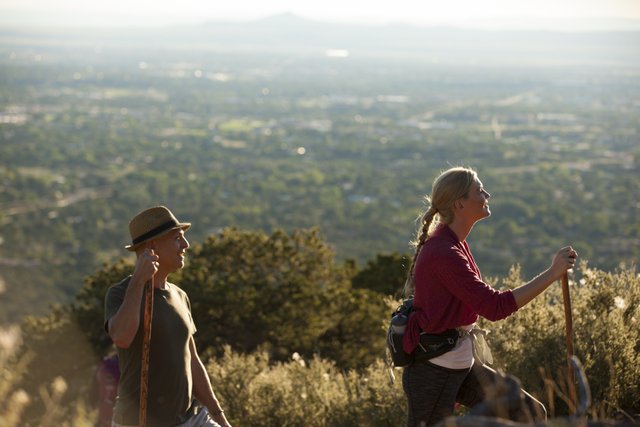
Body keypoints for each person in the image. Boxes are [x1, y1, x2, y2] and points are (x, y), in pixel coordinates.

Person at [401, 167, 577, 427]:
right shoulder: (443, 252)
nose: (487, 194)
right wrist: (552, 273)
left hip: (458, 364)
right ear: (460, 204)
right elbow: (495, 308)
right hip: (433, 371)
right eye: (479, 190)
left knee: (530, 413)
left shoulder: (454, 243)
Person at [104, 206, 231, 427]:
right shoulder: (120, 293)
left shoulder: (180, 296)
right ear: (152, 246)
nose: (185, 245)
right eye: (177, 238)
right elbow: (122, 337)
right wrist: (138, 281)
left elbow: (192, 361)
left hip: (190, 419)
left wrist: (219, 416)